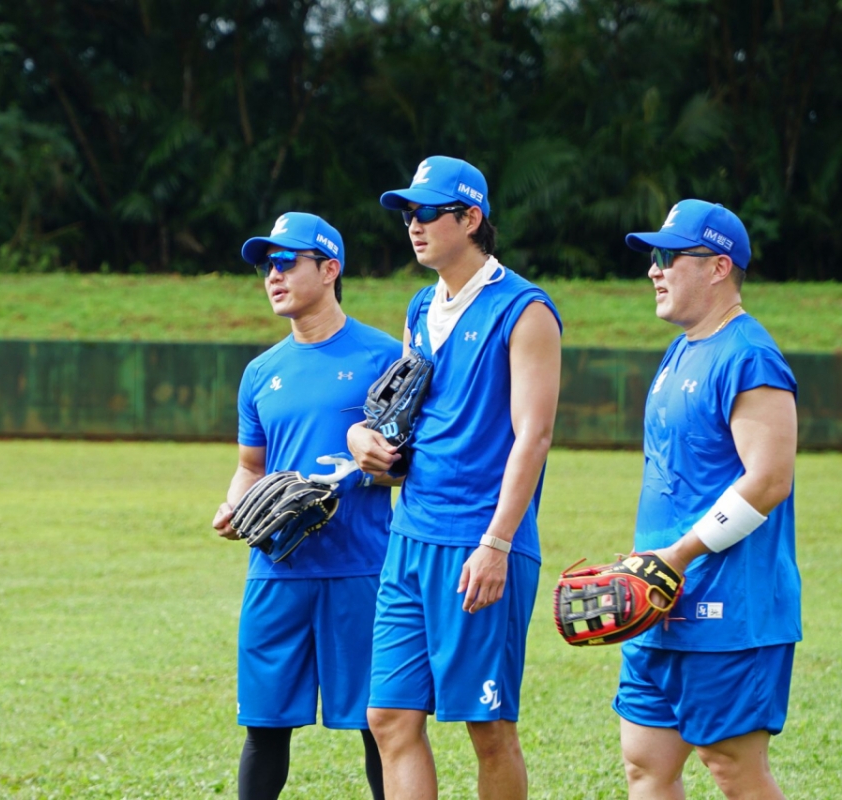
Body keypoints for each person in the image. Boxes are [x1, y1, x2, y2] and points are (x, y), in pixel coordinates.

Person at [347, 156, 562, 800]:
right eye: (407, 213)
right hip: (409, 536)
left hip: (478, 542)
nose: (413, 225)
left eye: (427, 213)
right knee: (388, 717)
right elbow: (399, 411)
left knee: (487, 726)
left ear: (471, 219)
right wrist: (366, 440)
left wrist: (496, 543)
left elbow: (535, 437)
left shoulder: (525, 310)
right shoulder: (420, 305)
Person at [211, 212, 402, 800]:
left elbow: (412, 462)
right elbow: (251, 467)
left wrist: (387, 465)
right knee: (264, 727)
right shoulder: (260, 372)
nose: (273, 275)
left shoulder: (385, 357)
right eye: (268, 266)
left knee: (381, 727)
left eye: (287, 262)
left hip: (361, 567)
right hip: (278, 570)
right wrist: (232, 506)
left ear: (329, 268)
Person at [614, 200, 798, 799]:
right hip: (658, 600)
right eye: (652, 257)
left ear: (719, 267)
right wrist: (647, 562)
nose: (654, 269)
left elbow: (769, 480)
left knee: (733, 769)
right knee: (645, 763)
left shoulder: (750, 356)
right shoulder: (683, 349)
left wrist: (680, 553)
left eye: (669, 255)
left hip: (729, 610)